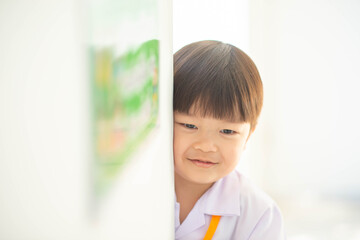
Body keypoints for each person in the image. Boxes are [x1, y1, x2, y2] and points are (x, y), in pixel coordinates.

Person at [173, 40, 286, 239]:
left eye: (227, 131)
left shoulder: (260, 215)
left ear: (249, 135)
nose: (206, 146)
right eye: (190, 126)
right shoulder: (140, 186)